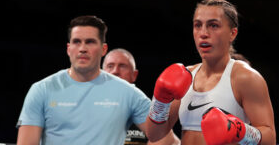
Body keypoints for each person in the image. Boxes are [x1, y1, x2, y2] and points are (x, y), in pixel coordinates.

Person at [16, 15, 177, 144]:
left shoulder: (127, 93)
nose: (83, 48)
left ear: (103, 49)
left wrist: (167, 101)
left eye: (90, 42)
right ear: (68, 49)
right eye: (77, 42)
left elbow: (166, 138)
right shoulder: (42, 90)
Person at [145, 0, 276, 145]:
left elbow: (270, 138)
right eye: (198, 25)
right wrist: (159, 101)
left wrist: (240, 131)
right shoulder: (186, 76)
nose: (203, 33)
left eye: (213, 25)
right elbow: (154, 134)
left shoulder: (245, 77)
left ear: (232, 33)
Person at [102, 48, 180, 145]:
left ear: (134, 75)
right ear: (102, 73)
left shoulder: (142, 105)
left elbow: (170, 140)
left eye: (122, 66)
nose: (115, 71)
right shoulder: (89, 103)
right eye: (110, 66)